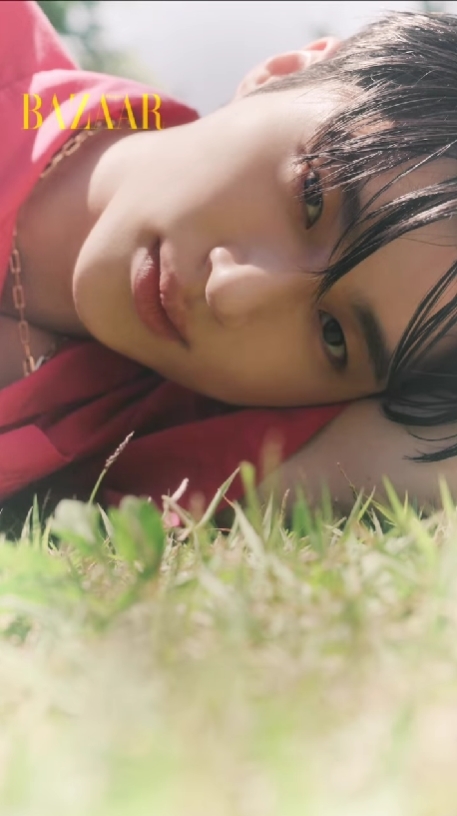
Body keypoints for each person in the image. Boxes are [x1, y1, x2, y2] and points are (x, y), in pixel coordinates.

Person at [1, 0, 457, 528]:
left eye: (333, 335)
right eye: (312, 196)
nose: (233, 291)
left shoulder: (144, 431)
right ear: (284, 71)